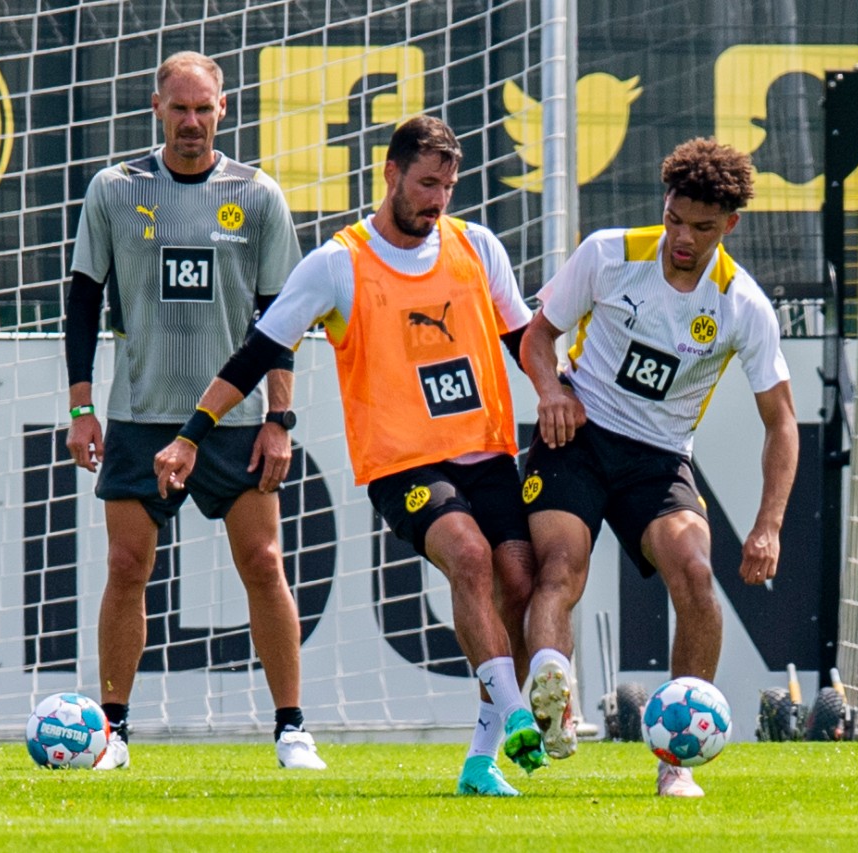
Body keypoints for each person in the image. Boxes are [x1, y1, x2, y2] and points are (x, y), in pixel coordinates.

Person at [153, 115, 548, 796]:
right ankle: (517, 714)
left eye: (447, 187)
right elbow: (255, 355)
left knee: (517, 581)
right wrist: (191, 432)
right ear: (390, 174)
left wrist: (559, 389)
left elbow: (522, 336)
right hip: (405, 466)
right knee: (470, 557)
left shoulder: (477, 246)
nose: (436, 199)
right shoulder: (338, 263)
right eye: (426, 183)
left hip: (486, 452)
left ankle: (482, 762)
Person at [63, 51, 325, 772]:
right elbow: (83, 299)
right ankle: (112, 733)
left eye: (203, 108)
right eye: (178, 108)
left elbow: (281, 318)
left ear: (224, 108)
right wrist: (82, 406)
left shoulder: (259, 194)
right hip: (141, 414)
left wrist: (280, 418)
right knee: (126, 566)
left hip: (236, 422)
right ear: (156, 108)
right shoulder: (115, 190)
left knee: (264, 561)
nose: (191, 122)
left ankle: (292, 728)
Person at [519, 137, 799, 797]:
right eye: (675, 218)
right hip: (580, 434)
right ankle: (553, 701)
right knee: (559, 568)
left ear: (729, 226)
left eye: (701, 228)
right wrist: (552, 391)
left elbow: (781, 421)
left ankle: (674, 761)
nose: (681, 237)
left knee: (698, 577)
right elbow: (538, 337)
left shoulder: (742, 305)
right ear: (664, 205)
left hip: (660, 458)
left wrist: (769, 525)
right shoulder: (609, 254)